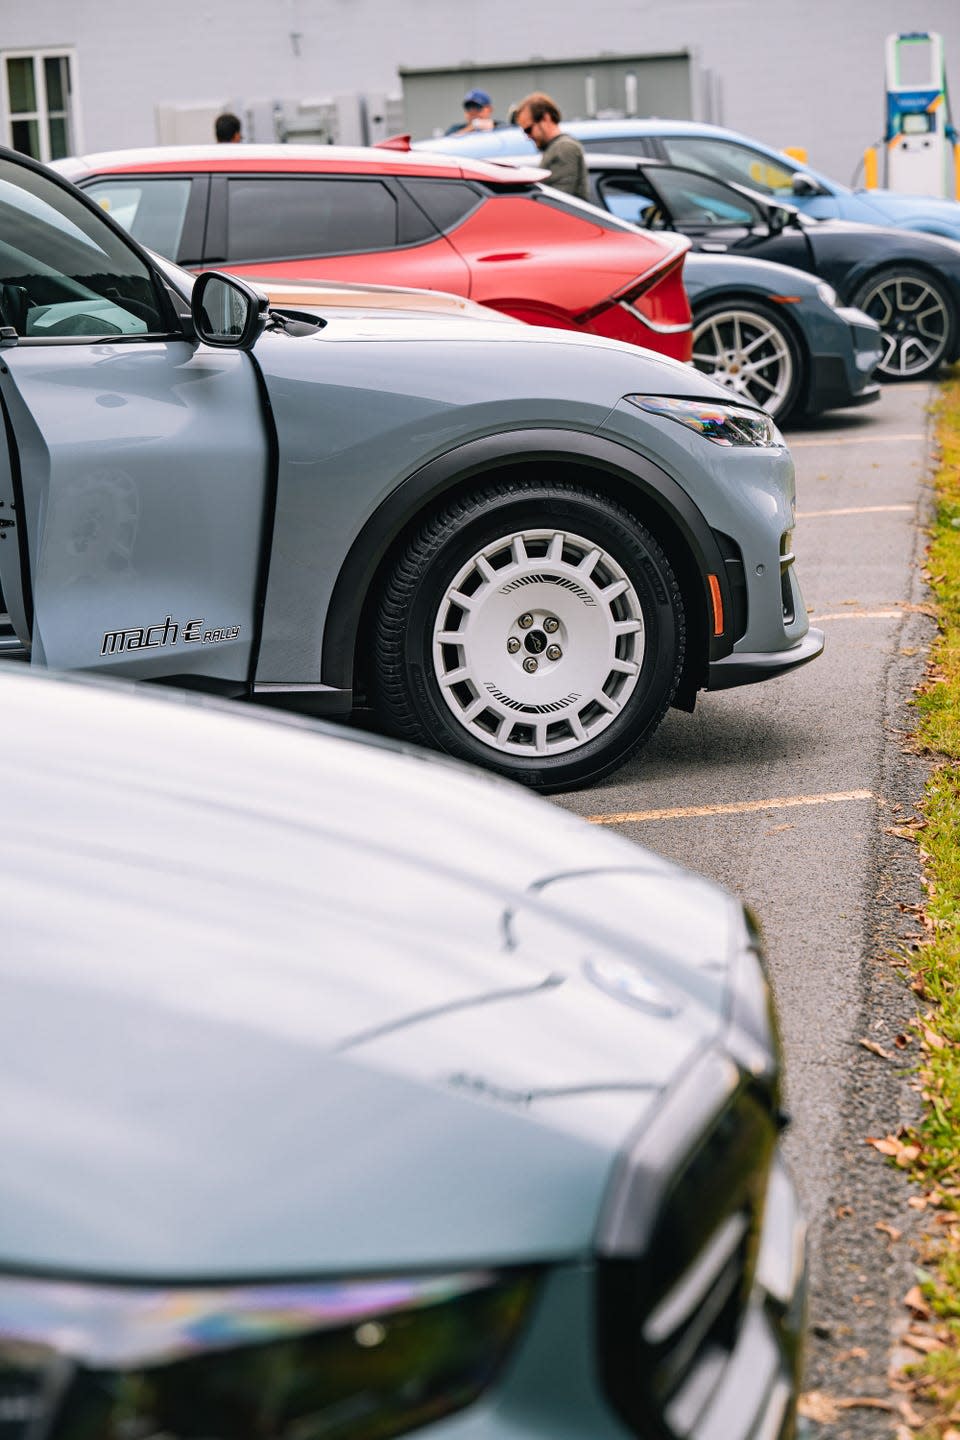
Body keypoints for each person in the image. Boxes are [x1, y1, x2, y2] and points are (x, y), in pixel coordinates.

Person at [513, 92, 589, 201]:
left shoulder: (564, 148)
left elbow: (560, 200)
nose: (528, 137)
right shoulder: (554, 148)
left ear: (545, 118)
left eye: (528, 130)